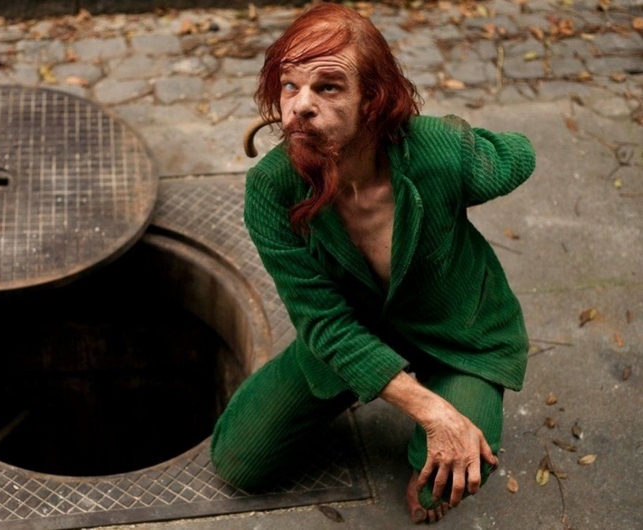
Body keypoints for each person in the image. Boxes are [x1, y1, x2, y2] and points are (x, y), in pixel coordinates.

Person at [210, 2, 536, 524]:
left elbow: (520, 155)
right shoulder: (272, 188)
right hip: (350, 333)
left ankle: (435, 394)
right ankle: (369, 381)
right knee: (237, 461)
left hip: (457, 332)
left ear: (373, 99)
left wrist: (458, 167)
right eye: (290, 86)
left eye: (328, 87)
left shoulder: (441, 150)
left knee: (442, 484)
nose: (301, 106)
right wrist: (433, 411)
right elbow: (324, 324)